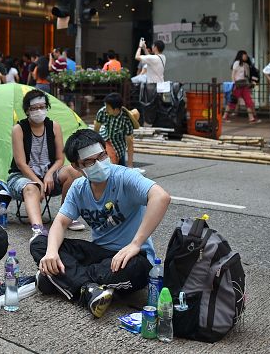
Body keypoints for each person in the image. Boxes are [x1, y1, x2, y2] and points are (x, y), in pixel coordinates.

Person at [32, 129, 171, 318]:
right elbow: (60, 223)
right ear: (76, 166)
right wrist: (51, 253)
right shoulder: (79, 187)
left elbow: (161, 197)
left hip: (129, 258)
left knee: (139, 269)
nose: (99, 164)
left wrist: (135, 244)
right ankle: (87, 288)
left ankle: (61, 279)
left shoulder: (124, 177)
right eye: (90, 161)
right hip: (99, 256)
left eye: (102, 156)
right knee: (40, 242)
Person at [7, 90, 80, 238]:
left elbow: (60, 159)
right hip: (22, 176)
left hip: (49, 177)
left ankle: (66, 216)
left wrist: (48, 175)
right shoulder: (19, 129)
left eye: (42, 106)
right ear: (27, 110)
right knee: (31, 187)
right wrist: (38, 182)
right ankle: (38, 229)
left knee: (74, 171)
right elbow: (21, 163)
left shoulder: (54, 126)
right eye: (34, 108)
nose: (39, 111)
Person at [94, 93, 136, 167]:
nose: (105, 109)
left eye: (108, 108)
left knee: (117, 166)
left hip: (119, 145)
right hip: (105, 138)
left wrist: (130, 165)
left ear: (116, 109)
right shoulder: (102, 112)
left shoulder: (126, 120)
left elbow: (130, 143)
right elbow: (96, 131)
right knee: (107, 162)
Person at [223, 50, 259, 124]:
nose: (246, 56)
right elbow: (233, 74)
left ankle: (251, 118)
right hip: (238, 84)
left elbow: (246, 75)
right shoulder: (236, 63)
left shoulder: (245, 64)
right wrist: (234, 84)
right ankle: (225, 116)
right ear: (241, 55)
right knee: (232, 101)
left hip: (244, 84)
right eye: (244, 55)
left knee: (248, 100)